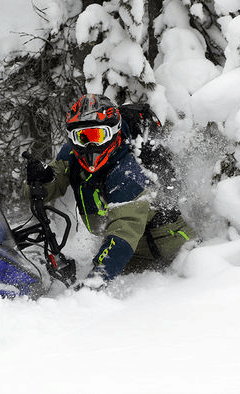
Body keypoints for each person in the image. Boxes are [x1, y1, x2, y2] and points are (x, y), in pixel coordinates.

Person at [25, 93, 193, 290]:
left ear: (113, 132)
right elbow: (41, 191)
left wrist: (94, 281)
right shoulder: (72, 155)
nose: (90, 146)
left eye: (97, 136)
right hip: (127, 258)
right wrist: (41, 180)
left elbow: (123, 234)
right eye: (82, 137)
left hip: (166, 257)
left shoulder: (128, 173)